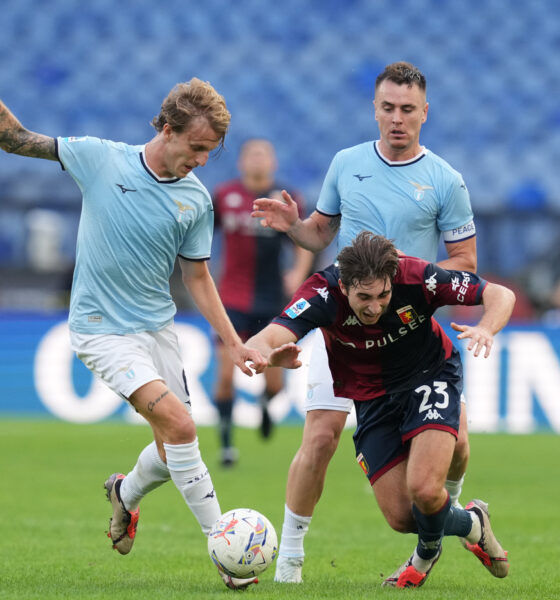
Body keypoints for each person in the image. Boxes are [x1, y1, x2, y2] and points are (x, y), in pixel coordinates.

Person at [0, 80, 267, 590]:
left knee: (172, 450)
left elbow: (197, 277)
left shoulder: (195, 200)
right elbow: (15, 139)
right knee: (181, 426)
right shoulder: (99, 159)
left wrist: (233, 341)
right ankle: (226, 548)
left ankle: (125, 493)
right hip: (101, 330)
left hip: (157, 330)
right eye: (197, 147)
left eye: (211, 152)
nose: (203, 160)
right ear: (168, 129)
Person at [252, 61, 478, 583]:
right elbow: (319, 235)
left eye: (407, 110)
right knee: (322, 435)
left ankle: (447, 514)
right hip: (345, 333)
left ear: (425, 113)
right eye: (387, 108)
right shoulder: (346, 163)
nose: (396, 119)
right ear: (374, 109)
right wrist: (294, 228)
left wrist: (408, 273)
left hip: (408, 336)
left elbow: (465, 263)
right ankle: (288, 562)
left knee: (458, 446)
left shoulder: (446, 180)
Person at [246, 232, 514, 588]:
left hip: (428, 377)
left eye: (384, 295)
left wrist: (486, 327)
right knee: (403, 517)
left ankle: (422, 557)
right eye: (364, 298)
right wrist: (266, 355)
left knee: (424, 489)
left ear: (392, 280)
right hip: (371, 398)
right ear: (344, 286)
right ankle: (473, 522)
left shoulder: (418, 278)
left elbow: (500, 294)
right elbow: (265, 338)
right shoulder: (321, 293)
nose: (375, 307)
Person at [212, 138, 313, 466]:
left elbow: (303, 240)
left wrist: (297, 272)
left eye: (263, 155)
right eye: (251, 155)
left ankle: (266, 406)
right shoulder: (224, 197)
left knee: (275, 384)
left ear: (273, 163)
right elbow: (199, 234)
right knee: (226, 375)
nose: (257, 161)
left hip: (272, 300)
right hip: (230, 298)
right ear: (241, 162)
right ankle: (227, 446)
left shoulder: (285, 199)